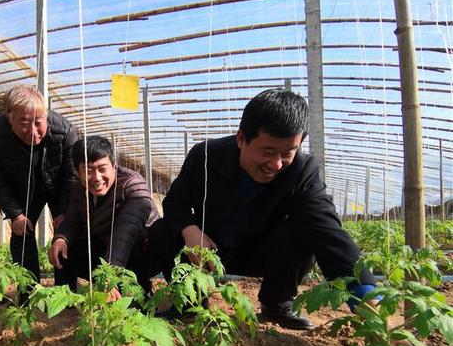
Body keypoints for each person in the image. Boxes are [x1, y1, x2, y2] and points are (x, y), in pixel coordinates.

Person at [148, 88, 378, 330]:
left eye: (288, 153)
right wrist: (190, 230)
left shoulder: (302, 170)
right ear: (241, 139)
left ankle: (277, 303)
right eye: (267, 152)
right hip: (210, 252)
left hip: (264, 254)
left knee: (303, 232)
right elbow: (175, 201)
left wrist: (371, 303)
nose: (276, 164)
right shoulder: (205, 156)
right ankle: (189, 302)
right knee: (161, 230)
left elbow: (328, 232)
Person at [0, 85, 78, 294]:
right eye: (24, 123)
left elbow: (71, 177)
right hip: (21, 187)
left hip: (57, 185)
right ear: (9, 118)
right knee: (21, 234)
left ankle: (65, 293)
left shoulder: (66, 131)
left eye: (38, 122)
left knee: (65, 232)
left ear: (46, 115)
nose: (33, 131)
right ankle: (29, 292)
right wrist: (15, 213)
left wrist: (63, 212)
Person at [48, 135, 159, 299]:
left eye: (102, 169)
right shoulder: (78, 189)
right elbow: (71, 221)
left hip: (142, 254)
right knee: (64, 244)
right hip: (106, 248)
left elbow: (125, 233)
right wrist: (61, 239)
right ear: (78, 172)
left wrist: (108, 276)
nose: (97, 178)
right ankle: (65, 296)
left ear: (114, 166)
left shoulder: (133, 185)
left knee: (138, 239)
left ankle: (142, 292)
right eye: (88, 170)